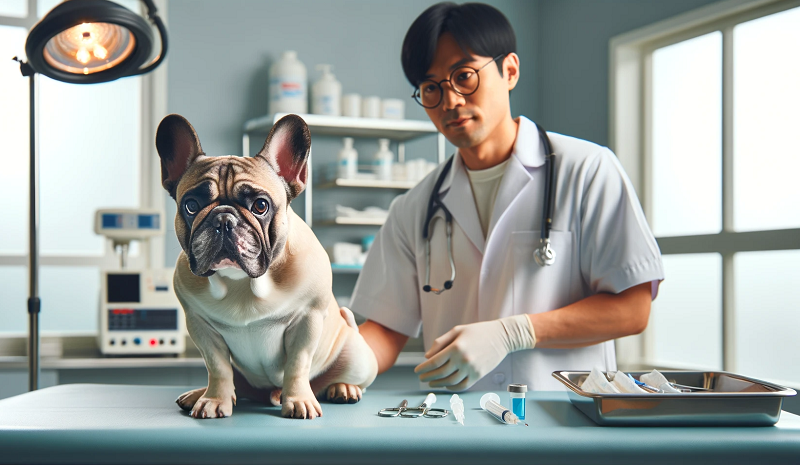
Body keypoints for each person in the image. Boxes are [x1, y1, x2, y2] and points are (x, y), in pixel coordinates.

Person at [350, 2, 664, 391]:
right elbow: (384, 330)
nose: (450, 102)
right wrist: (324, 366)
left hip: (562, 420)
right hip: (456, 424)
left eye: (464, 76)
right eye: (431, 88)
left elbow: (632, 309)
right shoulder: (413, 208)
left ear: (510, 70)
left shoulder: (588, 169)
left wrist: (515, 332)